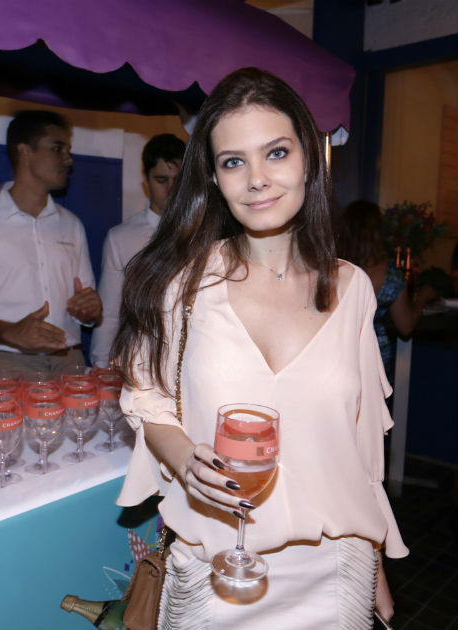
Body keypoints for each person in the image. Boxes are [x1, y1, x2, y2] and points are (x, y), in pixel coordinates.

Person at [112, 68, 407, 630]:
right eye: (233, 162)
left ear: (308, 161)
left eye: (276, 153)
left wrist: (374, 563)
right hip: (214, 568)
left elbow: (363, 443)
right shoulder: (182, 284)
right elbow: (147, 399)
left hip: (333, 571)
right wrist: (185, 460)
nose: (257, 180)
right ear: (214, 178)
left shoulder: (352, 288)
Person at [0, 110, 102, 388]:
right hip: (7, 364)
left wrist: (90, 310)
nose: (68, 159)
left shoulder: (71, 224)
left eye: (68, 150)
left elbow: (87, 300)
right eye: (57, 148)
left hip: (70, 361)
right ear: (25, 151)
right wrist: (11, 332)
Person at [90, 133, 186, 366]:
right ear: (146, 180)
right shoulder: (122, 238)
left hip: (193, 362)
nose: (170, 189)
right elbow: (110, 312)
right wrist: (101, 366)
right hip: (140, 363)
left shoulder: (205, 234)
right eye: (161, 180)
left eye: (177, 180)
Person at [337, 200, 437, 384]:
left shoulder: (328, 269)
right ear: (377, 234)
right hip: (373, 359)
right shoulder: (390, 275)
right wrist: (422, 298)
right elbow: (405, 327)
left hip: (336, 355)